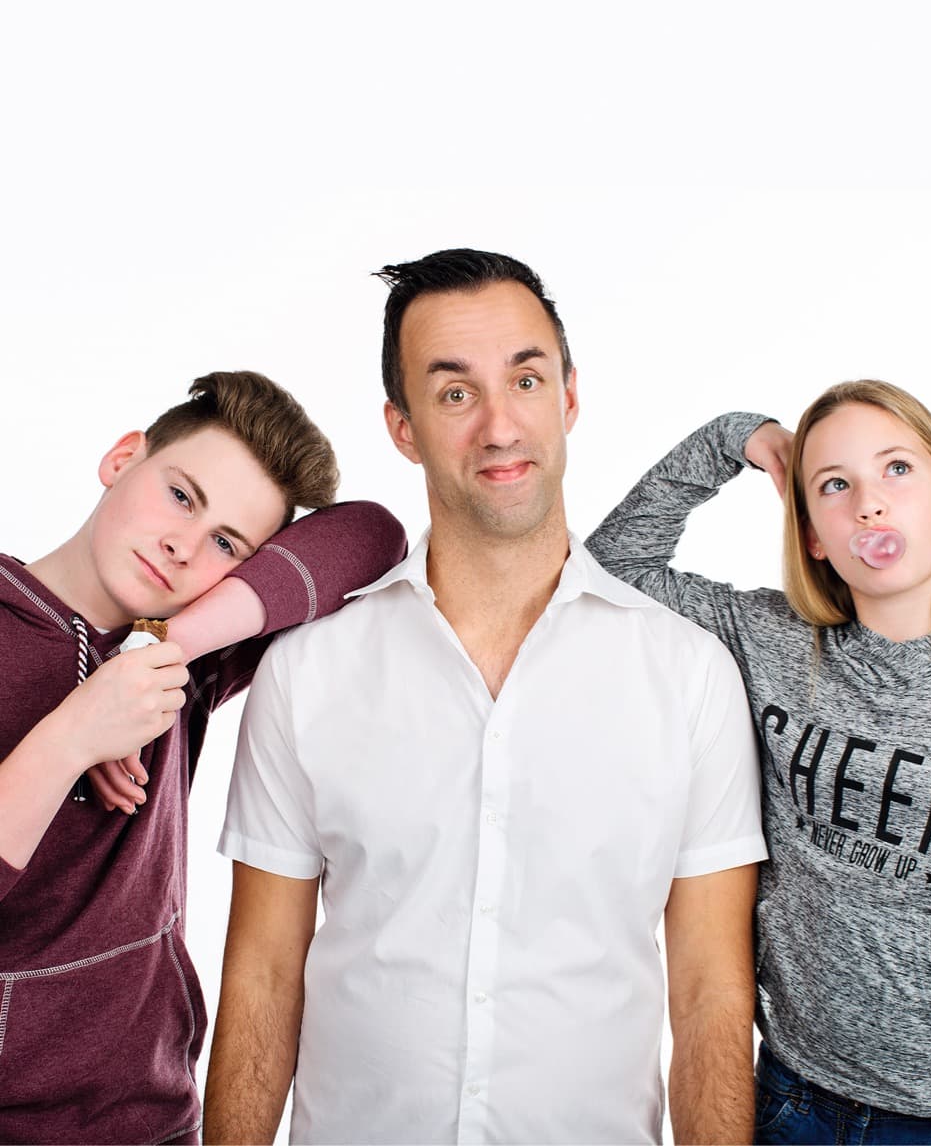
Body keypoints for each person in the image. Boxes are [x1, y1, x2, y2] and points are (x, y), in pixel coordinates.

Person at [203, 249, 766, 1146]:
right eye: (456, 392)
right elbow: (263, 977)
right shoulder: (309, 672)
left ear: (569, 398)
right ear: (403, 427)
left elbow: (709, 999)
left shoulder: (690, 676)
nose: (500, 426)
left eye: (526, 380)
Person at [587, 380, 931, 1144]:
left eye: (897, 469)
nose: (869, 506)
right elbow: (613, 567)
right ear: (812, 534)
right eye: (835, 485)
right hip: (794, 1102)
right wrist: (738, 436)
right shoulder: (773, 643)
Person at [0, 370, 406, 1146]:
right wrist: (75, 734)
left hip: (150, 1122)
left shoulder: (186, 659)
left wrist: (158, 650)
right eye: (182, 496)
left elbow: (372, 536)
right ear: (123, 458)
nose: (183, 547)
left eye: (226, 543)